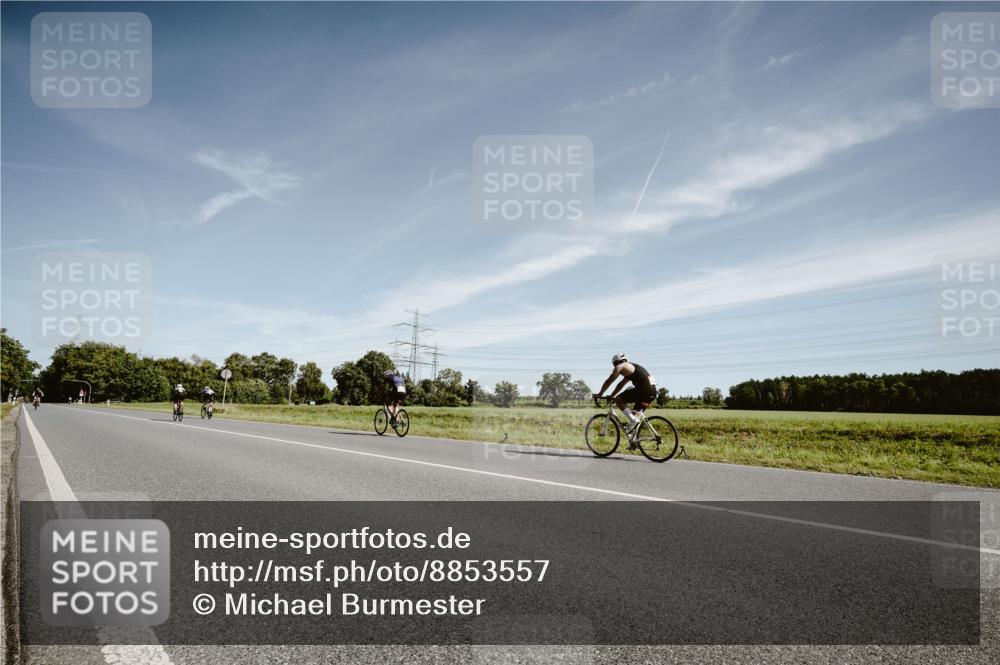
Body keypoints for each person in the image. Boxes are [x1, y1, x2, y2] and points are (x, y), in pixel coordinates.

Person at [594, 353, 658, 435]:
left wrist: (600, 394)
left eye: (614, 364)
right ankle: (634, 442)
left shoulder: (621, 366)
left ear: (617, 362)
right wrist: (612, 395)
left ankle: (633, 421)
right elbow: (621, 384)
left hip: (644, 390)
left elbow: (609, 380)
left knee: (619, 400)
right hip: (652, 392)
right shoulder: (631, 368)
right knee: (634, 417)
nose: (614, 367)